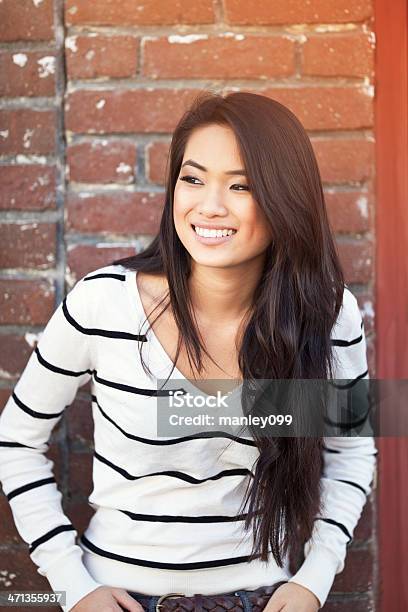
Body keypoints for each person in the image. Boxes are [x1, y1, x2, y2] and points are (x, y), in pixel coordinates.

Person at [0, 91, 377, 612]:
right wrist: (70, 582)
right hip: (119, 598)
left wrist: (314, 578)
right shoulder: (103, 303)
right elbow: (16, 441)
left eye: (241, 185)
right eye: (193, 178)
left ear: (285, 198)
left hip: (261, 599)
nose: (209, 206)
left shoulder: (325, 313)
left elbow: (350, 451)